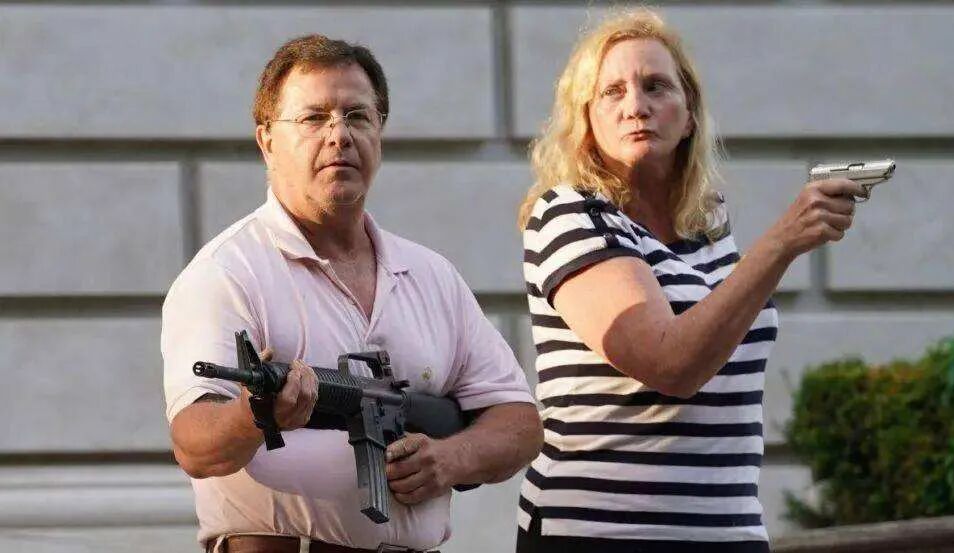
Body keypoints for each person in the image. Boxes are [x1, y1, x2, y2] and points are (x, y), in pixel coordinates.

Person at [162, 34, 542, 553]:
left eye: (357, 116)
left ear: (379, 133)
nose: (339, 135)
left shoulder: (430, 275)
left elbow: (519, 421)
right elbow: (194, 444)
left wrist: (452, 459)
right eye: (313, 118)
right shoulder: (226, 273)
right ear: (267, 141)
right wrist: (254, 413)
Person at [516, 10, 865, 553]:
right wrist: (781, 244)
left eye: (656, 86)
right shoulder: (571, 214)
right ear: (586, 120)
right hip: (604, 533)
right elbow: (670, 364)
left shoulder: (706, 225)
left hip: (727, 530)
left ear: (690, 116)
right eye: (612, 92)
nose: (636, 106)